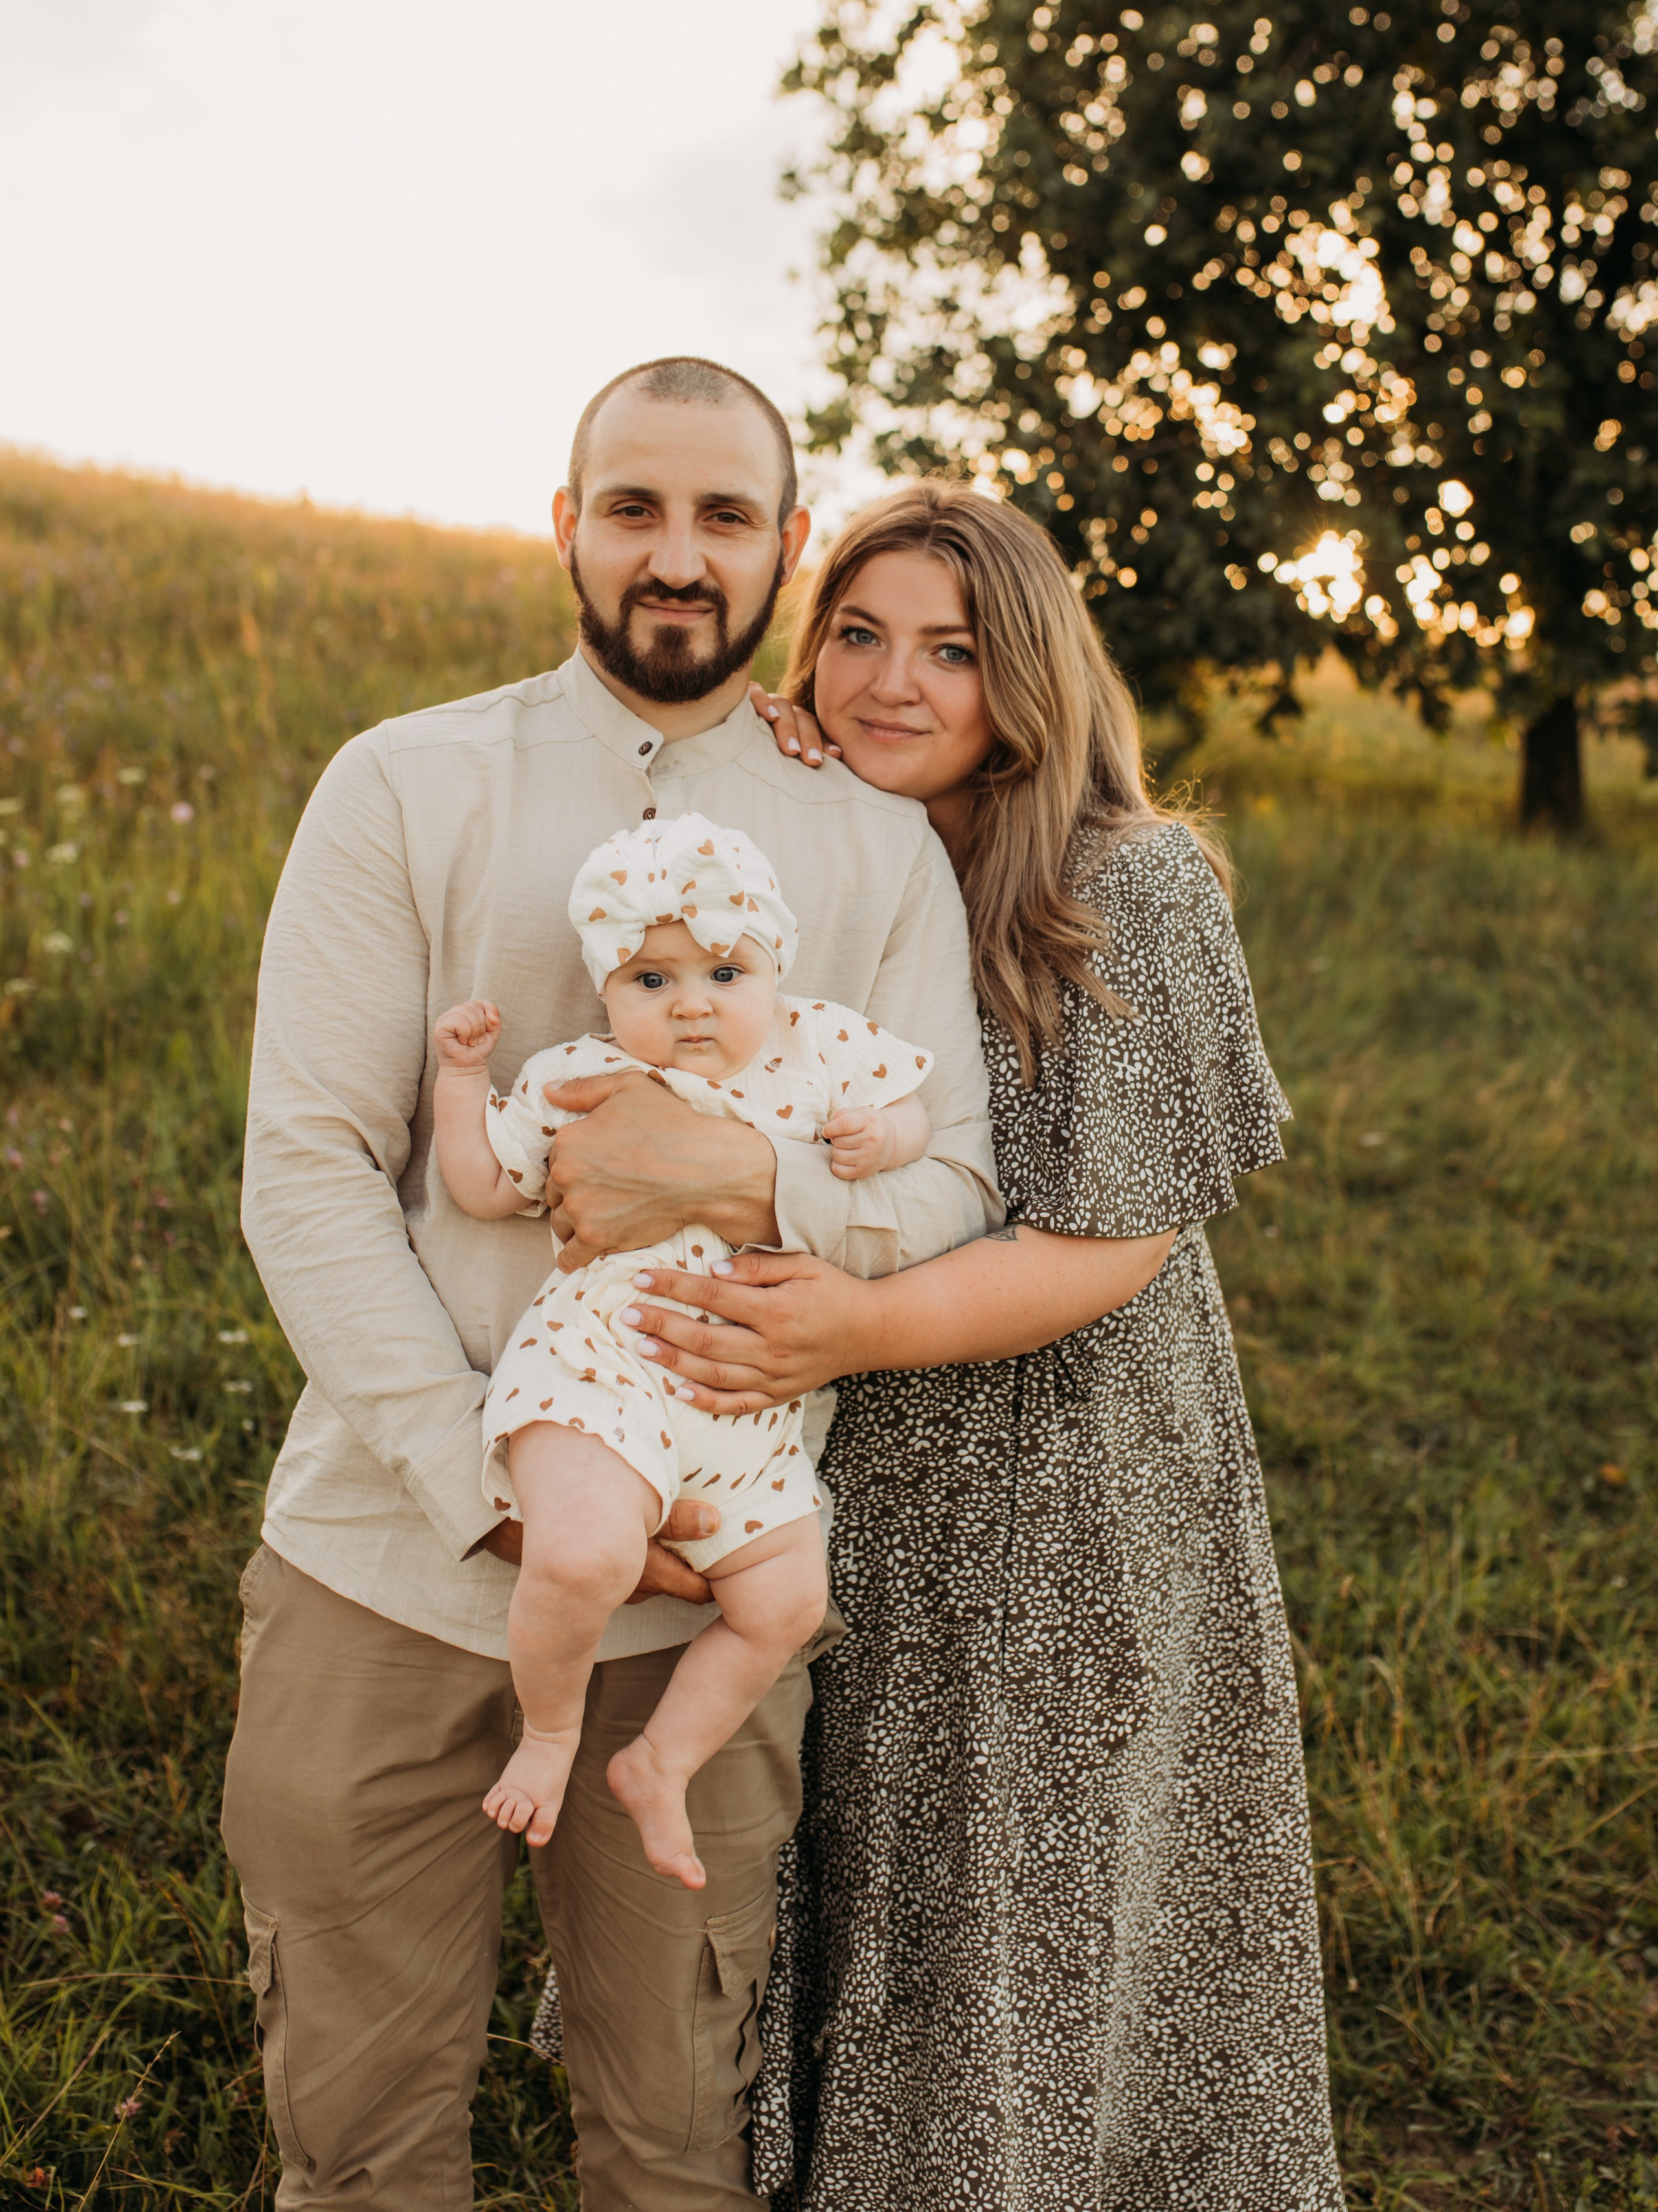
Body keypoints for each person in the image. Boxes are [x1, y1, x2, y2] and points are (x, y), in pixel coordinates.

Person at [221, 363, 999, 2212]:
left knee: (675, 2142)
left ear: (787, 550)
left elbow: (957, 1184)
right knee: (358, 2138)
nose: (679, 555)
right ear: (564, 526)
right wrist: (496, 1500)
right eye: (634, 508)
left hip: (696, 1627)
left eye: (727, 516)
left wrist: (748, 1177)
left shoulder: (872, 844)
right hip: (381, 1567)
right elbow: (308, 1168)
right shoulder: (405, 782)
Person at [613, 483, 1345, 2210]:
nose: (894, 680)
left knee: (1022, 1895)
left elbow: (1117, 1235)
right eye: (857, 635)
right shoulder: (823, 864)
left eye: (951, 648)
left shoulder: (1129, 883)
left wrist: (857, 1322)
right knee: (861, 1865)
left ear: (1026, 673)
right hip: (842, 1470)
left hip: (1066, 1484)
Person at [428, 812, 930, 1888]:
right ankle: (553, 1734)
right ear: (606, 991)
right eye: (649, 981)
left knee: (787, 1603)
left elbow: (913, 1117)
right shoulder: (580, 1076)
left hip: (747, 1418)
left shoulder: (820, 1048)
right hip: (599, 1369)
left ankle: (664, 1760)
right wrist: (464, 1084)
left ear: (774, 967)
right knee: (584, 1555)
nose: (692, 1001)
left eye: (723, 970)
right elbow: (479, 1188)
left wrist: (883, 1140)